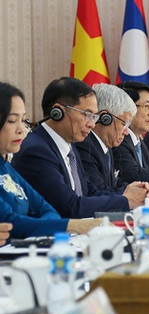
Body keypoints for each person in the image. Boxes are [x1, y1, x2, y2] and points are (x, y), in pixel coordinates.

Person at [13, 77, 149, 218]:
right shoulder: (36, 151)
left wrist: (129, 194)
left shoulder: (69, 146)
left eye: (94, 117)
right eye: (87, 115)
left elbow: (90, 192)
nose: (92, 124)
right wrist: (126, 200)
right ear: (58, 113)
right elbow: (70, 207)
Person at [0, 82, 102, 237]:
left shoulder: (7, 168)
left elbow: (47, 210)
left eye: (24, 120)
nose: (21, 129)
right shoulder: (35, 150)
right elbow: (11, 222)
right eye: (12, 121)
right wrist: (73, 226)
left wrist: (45, 226)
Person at [74, 84, 134, 193]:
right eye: (123, 123)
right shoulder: (85, 146)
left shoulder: (105, 145)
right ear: (105, 118)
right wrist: (132, 195)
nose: (126, 132)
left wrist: (141, 189)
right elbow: (97, 191)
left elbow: (114, 183)